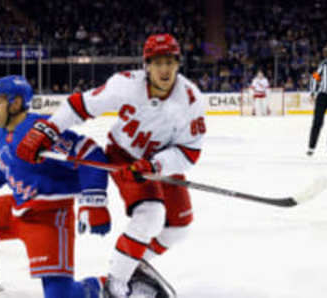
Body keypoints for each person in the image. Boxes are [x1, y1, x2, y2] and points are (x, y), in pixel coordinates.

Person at [15, 33, 206, 298]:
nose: (164, 69)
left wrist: (156, 165)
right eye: (158, 62)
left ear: (178, 64)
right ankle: (115, 286)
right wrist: (50, 129)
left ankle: (134, 265)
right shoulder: (126, 85)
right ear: (147, 65)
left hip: (159, 162)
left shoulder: (192, 101)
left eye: (170, 62)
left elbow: (189, 151)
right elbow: (80, 106)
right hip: (123, 157)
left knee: (178, 228)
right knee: (150, 215)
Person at [0, 75, 111, 298]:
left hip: (50, 219)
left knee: (59, 295)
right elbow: (6, 162)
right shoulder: (1, 134)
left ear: (15, 103)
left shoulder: (40, 128)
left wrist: (94, 200)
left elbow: (89, 153)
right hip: (17, 208)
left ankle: (108, 286)